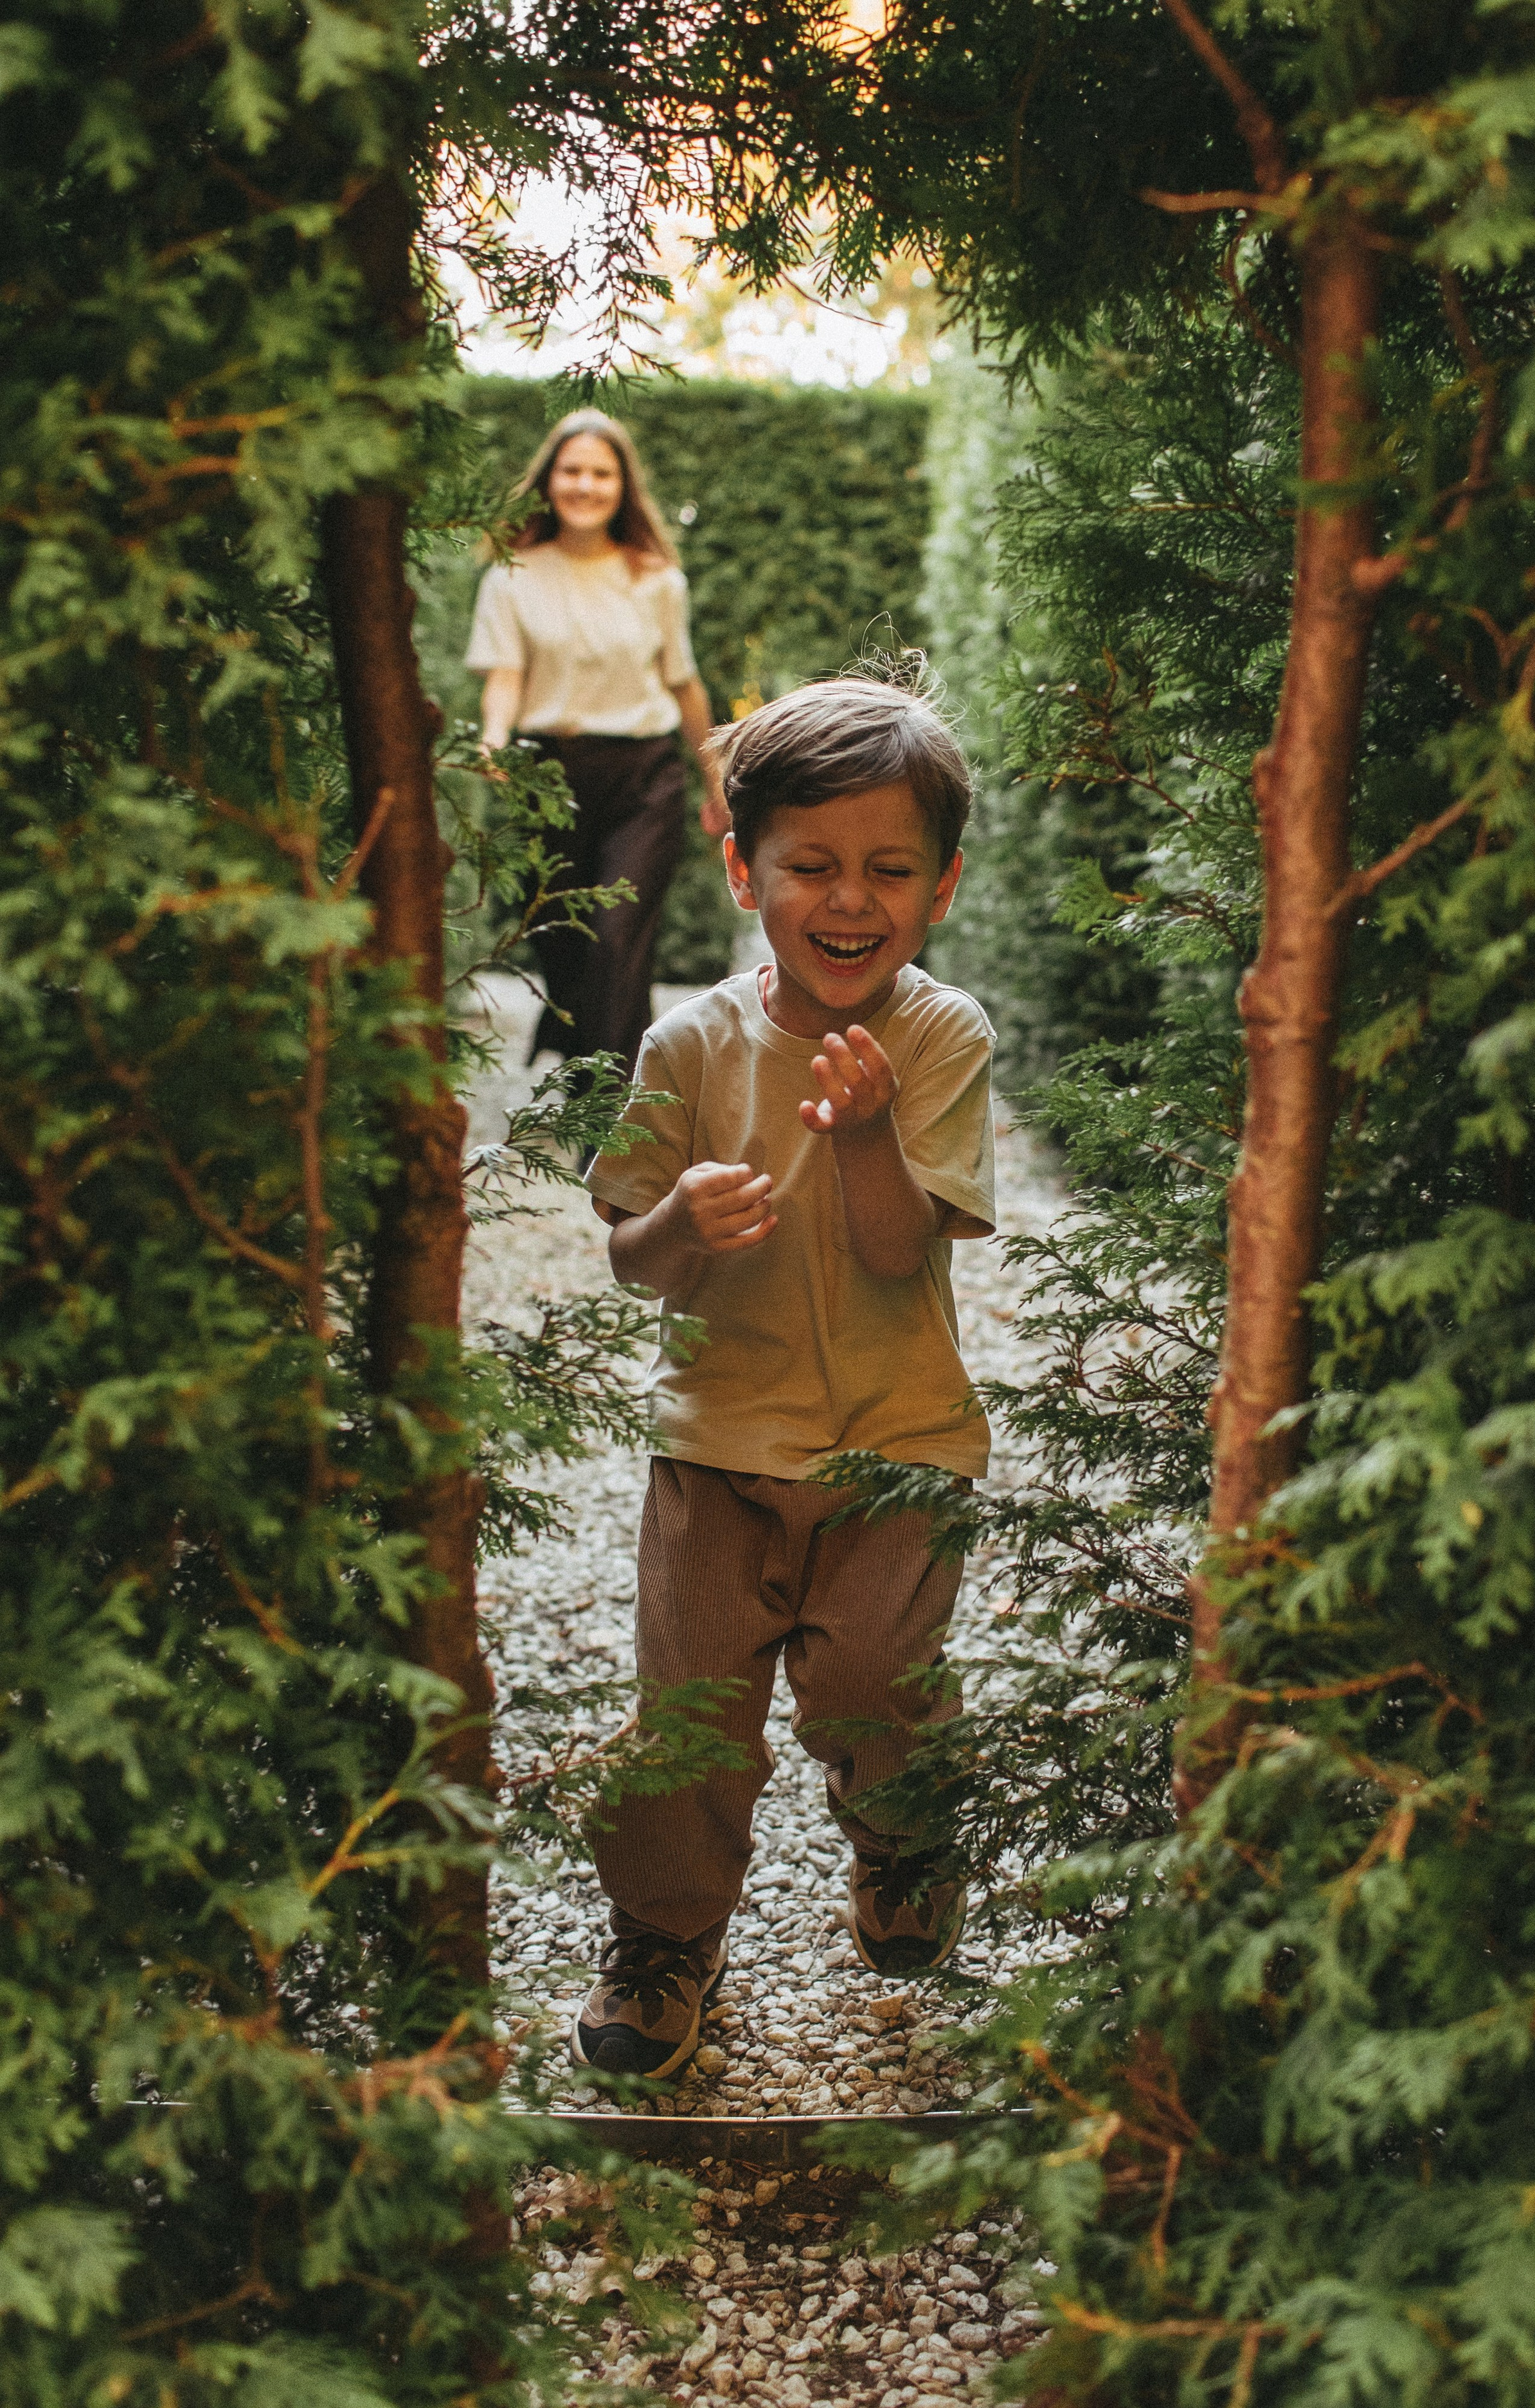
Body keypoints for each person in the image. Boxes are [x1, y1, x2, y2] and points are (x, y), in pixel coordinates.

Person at [571, 675, 996, 2080]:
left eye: (888, 869)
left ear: (938, 886)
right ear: (743, 864)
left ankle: (898, 1839)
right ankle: (663, 1934)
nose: (847, 900)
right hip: (714, 1446)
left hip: (897, 1450)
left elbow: (893, 1250)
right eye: (810, 865)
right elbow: (632, 1257)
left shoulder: (939, 1038)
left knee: (876, 1684)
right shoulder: (687, 1043)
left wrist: (865, 1129)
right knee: (686, 1720)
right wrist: (678, 1223)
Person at [465, 409, 730, 1073]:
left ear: (623, 486)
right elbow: (505, 676)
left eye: (601, 473)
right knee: (563, 942)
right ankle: (582, 1049)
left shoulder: (656, 580)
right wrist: (494, 737)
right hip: (547, 779)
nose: (585, 485)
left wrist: (715, 782)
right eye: (572, 470)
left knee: (617, 942)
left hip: (642, 780)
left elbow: (685, 686)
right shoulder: (510, 575)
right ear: (550, 479)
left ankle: (608, 1117)